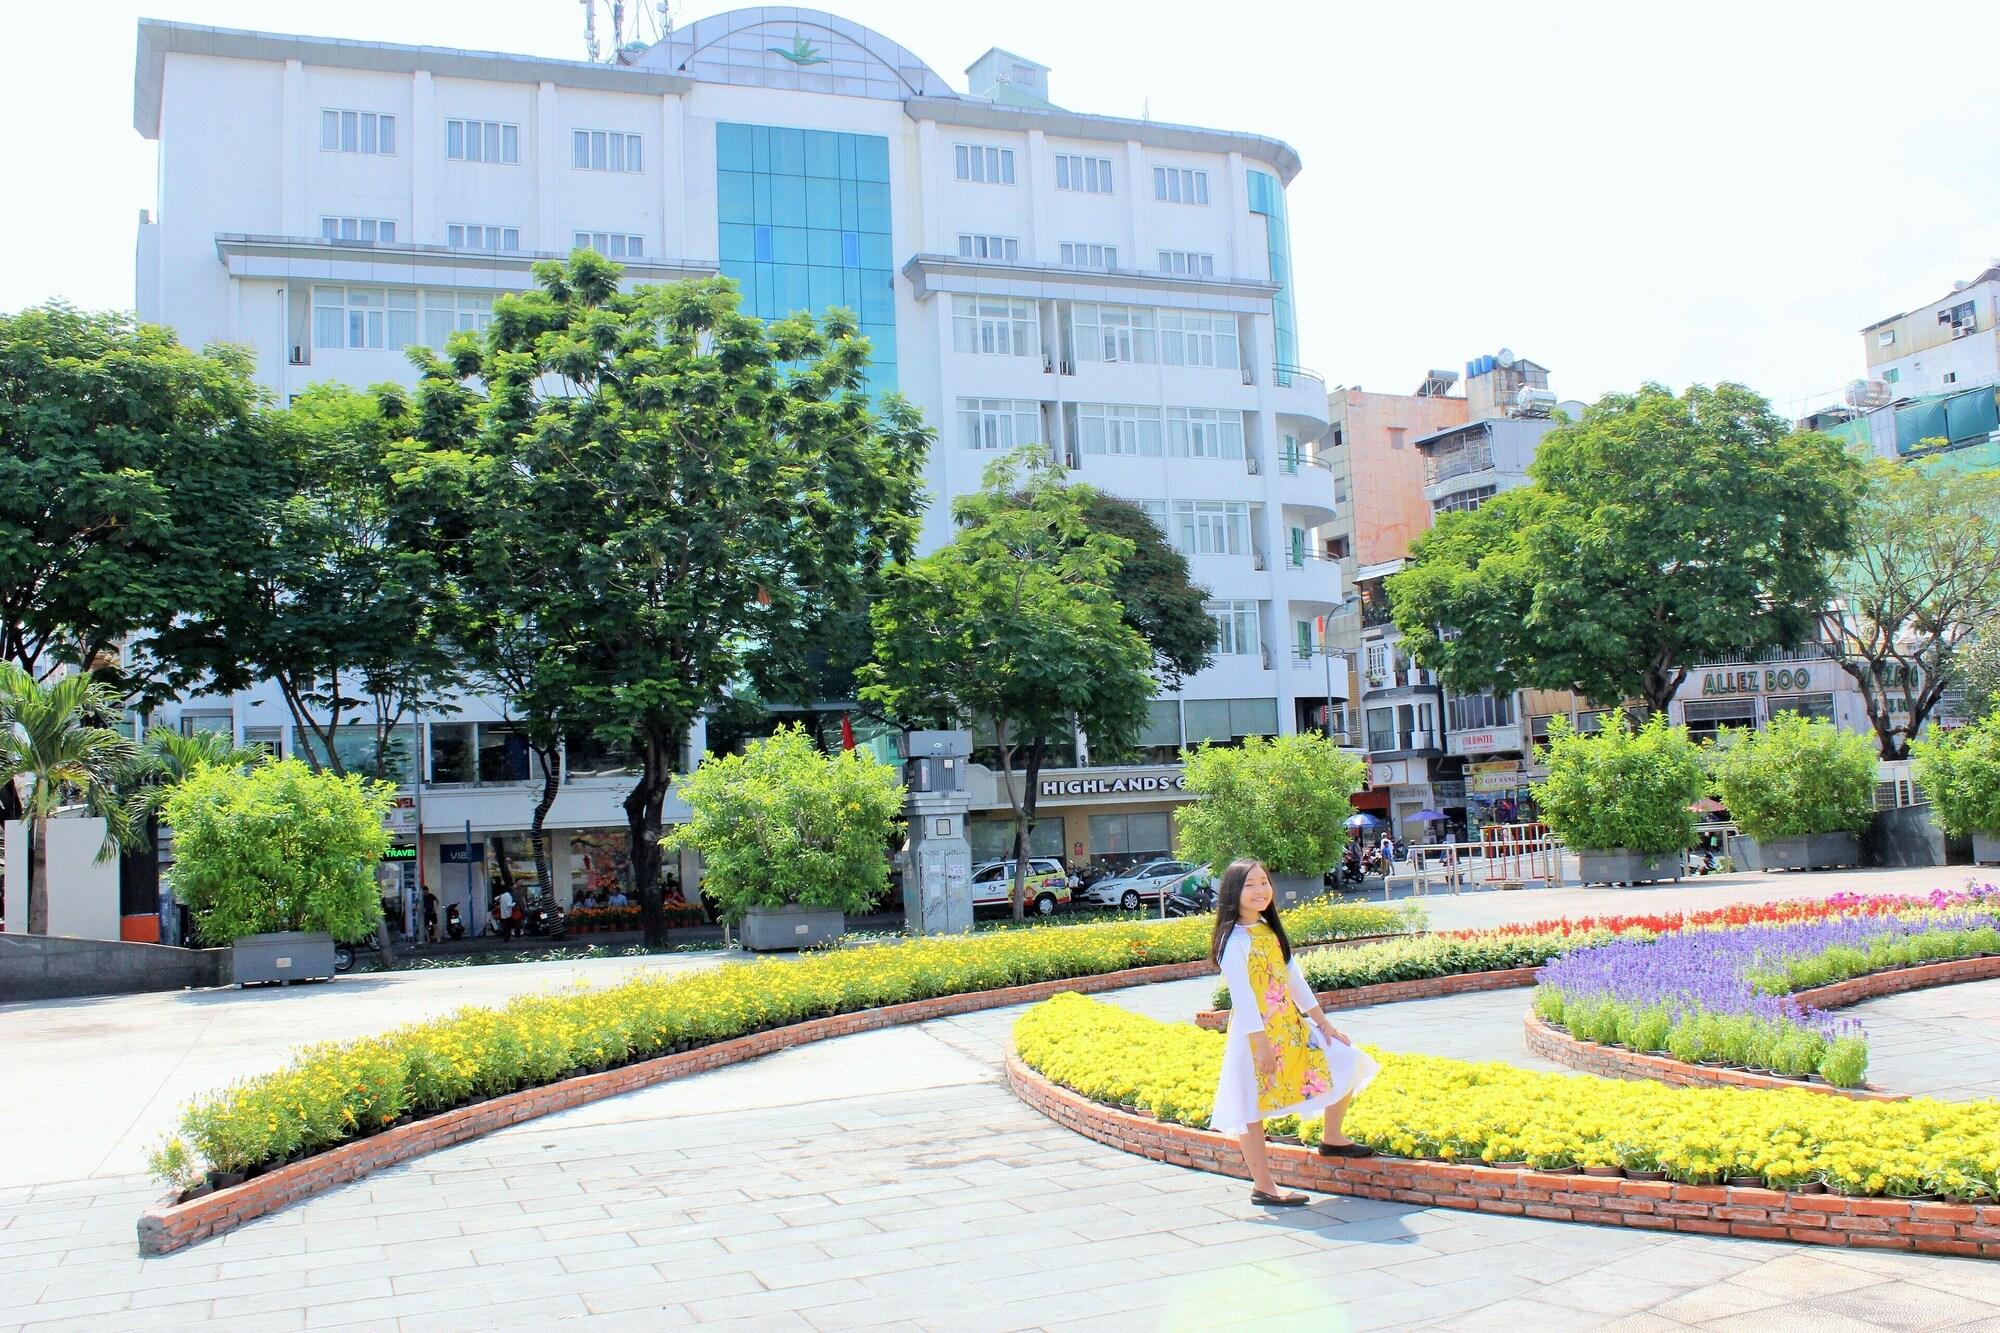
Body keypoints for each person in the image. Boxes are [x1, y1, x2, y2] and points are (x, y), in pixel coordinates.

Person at [1211, 858, 1380, 1207]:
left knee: (1348, 1059)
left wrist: (1324, 1023)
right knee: (1250, 1106)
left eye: (1264, 882)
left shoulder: (1268, 930)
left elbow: (1294, 980)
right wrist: (1261, 1045)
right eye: (1250, 885)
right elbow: (1242, 997)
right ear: (1232, 892)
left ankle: (1332, 1137)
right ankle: (1264, 1186)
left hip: (1289, 1026)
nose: (1260, 891)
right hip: (1254, 1035)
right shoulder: (1233, 940)